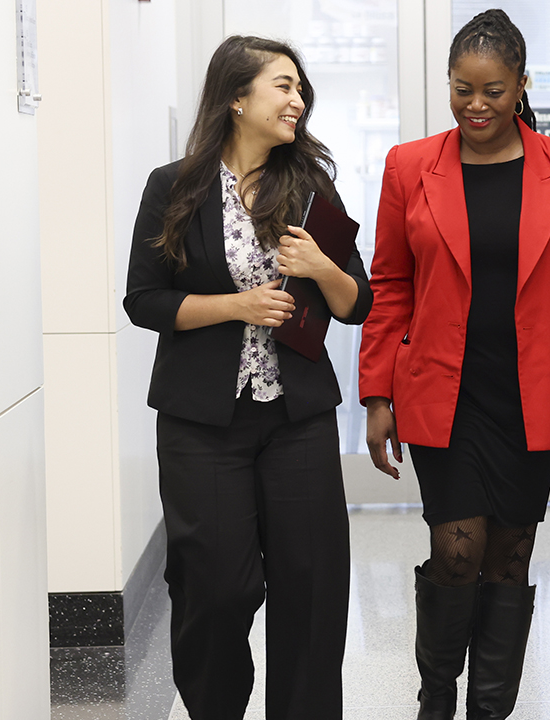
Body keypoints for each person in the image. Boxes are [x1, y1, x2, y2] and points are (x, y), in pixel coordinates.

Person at [358, 9, 550, 719]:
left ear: (521, 86)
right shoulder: (409, 167)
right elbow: (390, 285)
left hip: (528, 397)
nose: (476, 106)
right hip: (441, 395)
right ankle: (435, 703)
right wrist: (377, 394)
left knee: (508, 557)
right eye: (462, 89)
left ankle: (488, 712)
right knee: (456, 552)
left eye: (493, 91)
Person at [124, 36, 372, 720]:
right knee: (215, 589)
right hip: (202, 423)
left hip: (297, 421)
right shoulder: (172, 187)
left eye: (300, 90)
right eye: (283, 86)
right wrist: (236, 307)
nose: (299, 100)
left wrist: (324, 267)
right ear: (237, 98)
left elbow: (358, 304)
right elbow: (143, 301)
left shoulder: (311, 186)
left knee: (312, 588)